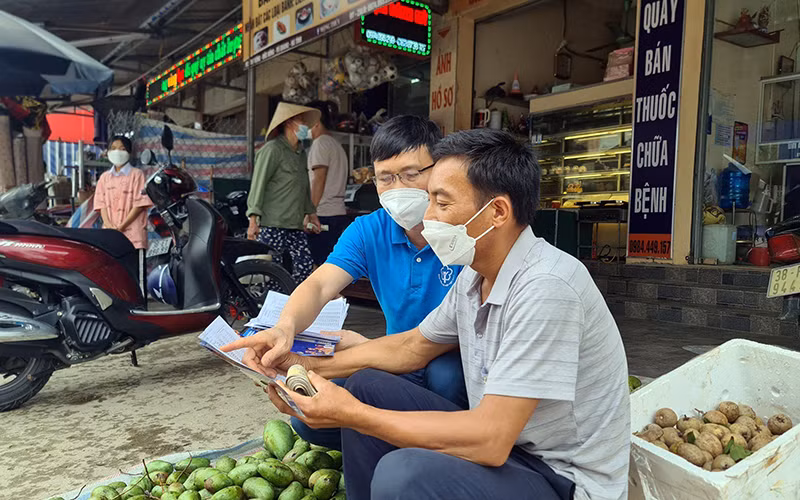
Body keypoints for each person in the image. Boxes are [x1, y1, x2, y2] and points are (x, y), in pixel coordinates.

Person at [226, 129, 630, 500]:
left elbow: (490, 439)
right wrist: (299, 363)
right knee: (366, 384)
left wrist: (353, 415)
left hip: (560, 478)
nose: (429, 216)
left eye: (442, 202)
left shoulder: (546, 286)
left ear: (498, 212)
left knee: (403, 473)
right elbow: (412, 347)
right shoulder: (475, 276)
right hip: (515, 451)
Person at [226, 115, 467, 451]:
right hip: (395, 357)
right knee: (308, 421)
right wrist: (286, 327)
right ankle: (407, 439)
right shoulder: (369, 230)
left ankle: (448, 450)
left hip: (453, 360)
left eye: (411, 174)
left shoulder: (464, 228)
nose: (397, 189)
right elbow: (320, 285)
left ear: (438, 169)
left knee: (446, 375)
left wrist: (341, 354)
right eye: (385, 178)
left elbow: (430, 345)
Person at [247, 102, 322, 284]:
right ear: (289, 123)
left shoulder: (300, 154)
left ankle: (292, 301)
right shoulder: (272, 150)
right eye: (301, 121)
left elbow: (303, 187)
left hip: (295, 223)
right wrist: (253, 219)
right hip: (273, 223)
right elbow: (258, 184)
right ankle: (271, 307)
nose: (305, 126)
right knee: (273, 272)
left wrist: (311, 213)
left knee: (304, 265)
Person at [304, 100, 350, 266]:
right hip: (337, 213)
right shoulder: (336, 145)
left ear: (315, 122)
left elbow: (319, 179)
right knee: (331, 265)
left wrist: (311, 211)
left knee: (318, 267)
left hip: (322, 215)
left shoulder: (320, 144)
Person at [94, 136, 152, 249]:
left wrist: (121, 227)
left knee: (132, 265)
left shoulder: (137, 174)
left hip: (133, 236)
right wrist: (109, 226)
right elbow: (101, 205)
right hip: (109, 235)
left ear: (129, 153)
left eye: (122, 149)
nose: (117, 152)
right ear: (108, 152)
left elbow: (139, 205)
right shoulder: (104, 178)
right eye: (113, 148)